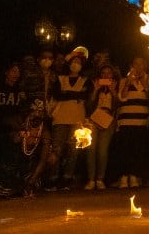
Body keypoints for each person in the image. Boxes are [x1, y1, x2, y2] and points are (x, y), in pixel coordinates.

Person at [48, 46, 90, 190]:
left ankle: (67, 178)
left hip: (77, 118)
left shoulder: (85, 80)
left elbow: (85, 96)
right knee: (57, 149)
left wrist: (68, 94)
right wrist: (75, 95)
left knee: (73, 150)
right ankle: (53, 178)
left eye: (78, 62)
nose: (75, 64)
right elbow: (57, 95)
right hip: (60, 118)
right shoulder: (60, 78)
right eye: (73, 61)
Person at [116, 56, 149, 189]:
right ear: (132, 66)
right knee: (125, 149)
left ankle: (135, 175)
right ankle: (124, 176)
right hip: (126, 120)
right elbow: (122, 98)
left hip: (142, 121)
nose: (138, 67)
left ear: (145, 66)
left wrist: (143, 82)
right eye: (136, 64)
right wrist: (128, 83)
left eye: (141, 64)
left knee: (138, 150)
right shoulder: (124, 80)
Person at [83, 63, 119, 190]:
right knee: (90, 150)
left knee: (102, 151)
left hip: (108, 119)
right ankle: (91, 179)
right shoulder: (94, 86)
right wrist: (95, 90)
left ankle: (100, 179)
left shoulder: (116, 86)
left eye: (109, 73)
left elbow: (117, 106)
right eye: (103, 73)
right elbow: (88, 106)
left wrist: (114, 92)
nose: (106, 76)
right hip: (93, 118)